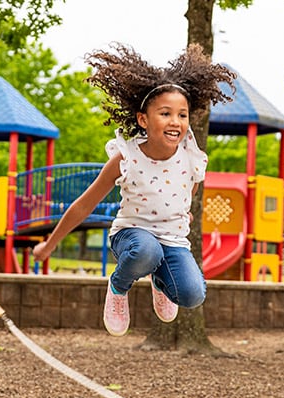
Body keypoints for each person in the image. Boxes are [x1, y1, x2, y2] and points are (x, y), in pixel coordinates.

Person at [32, 43, 235, 336]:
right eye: (165, 113)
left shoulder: (191, 155)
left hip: (173, 239)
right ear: (143, 119)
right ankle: (118, 286)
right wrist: (49, 245)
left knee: (193, 294)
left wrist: (183, 212)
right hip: (132, 236)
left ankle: (160, 282)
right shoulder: (126, 157)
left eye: (182, 114)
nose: (175, 122)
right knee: (146, 250)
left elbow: (189, 188)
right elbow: (83, 205)